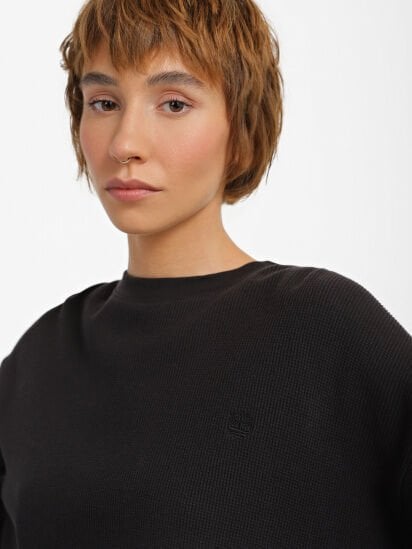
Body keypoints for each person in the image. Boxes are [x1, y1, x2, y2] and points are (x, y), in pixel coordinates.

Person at [0, 0, 411, 547]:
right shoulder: (38, 360)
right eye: (104, 103)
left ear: (240, 129)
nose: (125, 144)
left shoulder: (325, 329)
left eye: (173, 103)